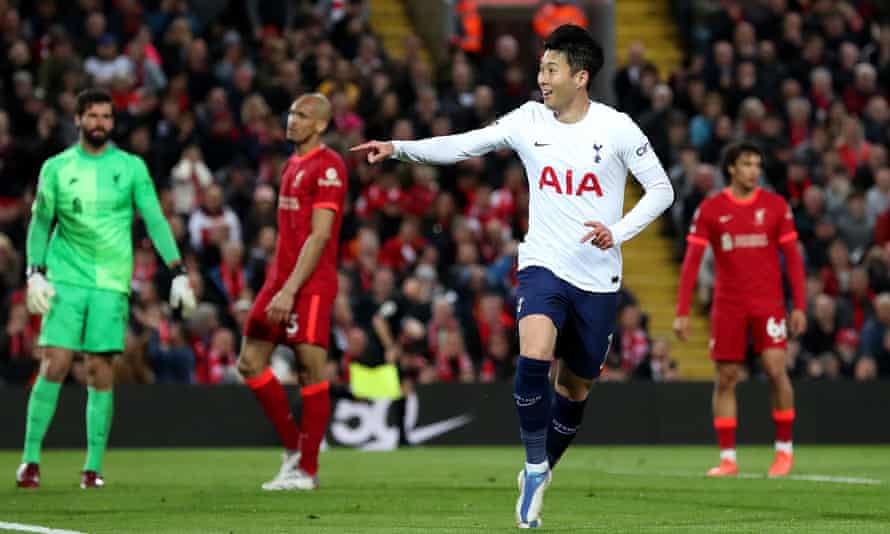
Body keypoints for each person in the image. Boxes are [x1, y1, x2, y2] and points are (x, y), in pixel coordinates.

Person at [352, 24, 673, 529]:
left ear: (580, 75)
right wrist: (398, 147)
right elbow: (465, 145)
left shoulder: (618, 129)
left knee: (575, 389)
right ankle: (532, 461)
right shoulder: (528, 120)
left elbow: (661, 191)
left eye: (551, 69)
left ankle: (541, 470)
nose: (541, 78)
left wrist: (619, 230)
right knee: (534, 353)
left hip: (598, 277)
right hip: (543, 265)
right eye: (541, 68)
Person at [17, 88, 196, 489]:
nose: (100, 123)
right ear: (78, 119)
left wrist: (178, 270)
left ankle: (92, 467)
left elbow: (154, 218)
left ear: (112, 123)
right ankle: (30, 461)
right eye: (93, 116)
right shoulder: (57, 168)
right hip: (65, 278)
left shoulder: (131, 167)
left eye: (106, 117)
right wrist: (35, 272)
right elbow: (41, 223)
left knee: (100, 370)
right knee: (57, 362)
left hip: (111, 284)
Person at [674, 141, 807, 478]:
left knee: (776, 369)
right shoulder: (711, 209)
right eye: (747, 164)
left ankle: (784, 451)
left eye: (757, 164)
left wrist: (800, 305)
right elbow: (691, 262)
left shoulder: (776, 207)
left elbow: (793, 260)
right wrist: (682, 311)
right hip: (728, 304)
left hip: (769, 303)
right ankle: (728, 458)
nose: (754, 171)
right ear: (731, 168)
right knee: (726, 377)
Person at [236, 93, 347, 491]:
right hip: (278, 280)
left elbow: (319, 236)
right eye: (291, 112)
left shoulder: (329, 166)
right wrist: (277, 286)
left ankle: (308, 471)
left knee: (309, 370)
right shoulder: (291, 165)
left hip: (309, 284)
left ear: (320, 125)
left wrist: (290, 290)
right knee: (249, 362)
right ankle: (294, 451)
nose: (292, 119)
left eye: (302, 115)